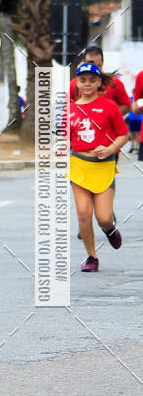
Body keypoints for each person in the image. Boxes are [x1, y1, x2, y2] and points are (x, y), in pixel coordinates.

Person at [69, 62, 128, 272]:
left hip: (103, 166)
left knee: (103, 217)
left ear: (100, 83)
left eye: (92, 80)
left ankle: (109, 228)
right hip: (78, 166)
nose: (87, 84)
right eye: (82, 80)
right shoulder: (71, 108)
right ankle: (91, 257)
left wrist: (111, 149)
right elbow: (65, 139)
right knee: (83, 213)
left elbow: (123, 134)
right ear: (76, 82)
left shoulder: (109, 106)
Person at [70, 46, 130, 115]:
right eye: (91, 65)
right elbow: (66, 107)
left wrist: (109, 117)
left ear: (103, 63)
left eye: (98, 66)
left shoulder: (114, 82)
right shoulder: (74, 83)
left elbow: (126, 105)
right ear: (83, 62)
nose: (94, 70)